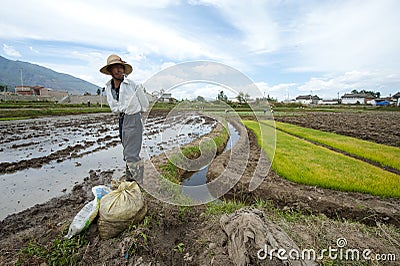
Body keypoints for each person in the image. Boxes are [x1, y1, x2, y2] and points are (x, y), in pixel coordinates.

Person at [100, 54, 149, 183]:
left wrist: (134, 115)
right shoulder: (109, 87)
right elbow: (113, 106)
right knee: (127, 151)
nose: (118, 70)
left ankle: (135, 183)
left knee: (131, 154)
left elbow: (145, 105)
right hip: (121, 120)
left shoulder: (133, 85)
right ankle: (132, 181)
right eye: (115, 68)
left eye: (120, 67)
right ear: (110, 71)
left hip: (133, 118)